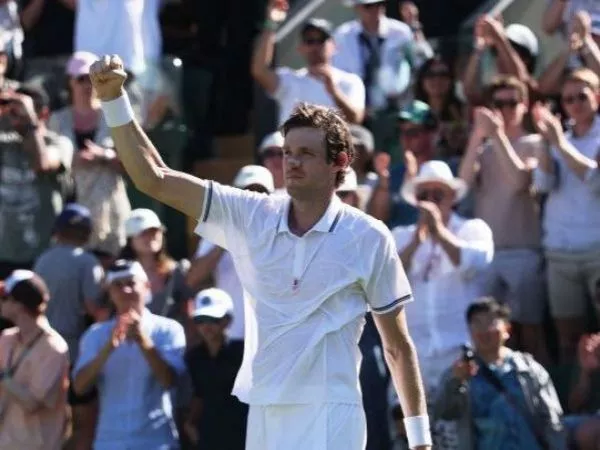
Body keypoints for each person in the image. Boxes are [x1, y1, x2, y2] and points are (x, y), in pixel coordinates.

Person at [88, 54, 431, 450]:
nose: (292, 162)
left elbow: (397, 346)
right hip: (265, 410)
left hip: (333, 410)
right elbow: (155, 178)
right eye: (288, 152)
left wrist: (420, 441)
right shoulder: (251, 213)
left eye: (305, 154)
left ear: (339, 162)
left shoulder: (369, 236)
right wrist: (113, 99)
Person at [72, 259, 186, 450]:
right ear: (110, 292)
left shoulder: (168, 330)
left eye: (131, 283)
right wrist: (108, 348)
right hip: (110, 442)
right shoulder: (96, 334)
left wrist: (143, 340)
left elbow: (169, 380)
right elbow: (80, 387)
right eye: (117, 285)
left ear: (147, 286)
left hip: (156, 442)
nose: (125, 290)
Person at [0, 270, 70, 450]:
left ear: (19, 305)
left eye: (4, 297)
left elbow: (32, 403)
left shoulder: (54, 348)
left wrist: (3, 377)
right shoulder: (6, 339)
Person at [184, 288, 248, 450]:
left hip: (243, 433)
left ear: (227, 320)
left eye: (213, 319)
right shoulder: (194, 357)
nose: (206, 326)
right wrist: (190, 423)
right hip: (209, 434)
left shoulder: (244, 352)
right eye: (200, 320)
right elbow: (199, 394)